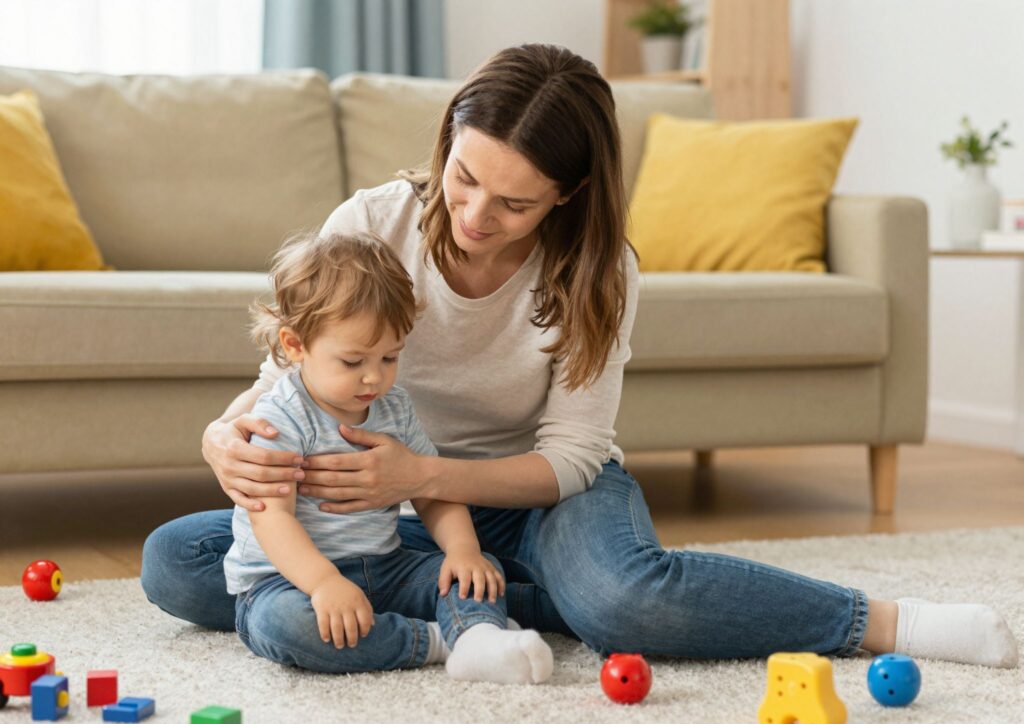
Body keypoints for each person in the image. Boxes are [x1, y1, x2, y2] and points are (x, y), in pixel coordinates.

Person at [142, 44, 1018, 670]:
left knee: (628, 600)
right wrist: (224, 439)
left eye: (516, 202)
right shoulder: (372, 225)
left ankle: (888, 622)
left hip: (531, 496)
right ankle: (505, 603)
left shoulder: (599, 271)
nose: (477, 214)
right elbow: (282, 384)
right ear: (447, 142)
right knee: (176, 563)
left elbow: (571, 455)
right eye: (463, 176)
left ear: (570, 197)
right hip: (383, 514)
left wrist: (422, 474)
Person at [221, 231, 553, 684]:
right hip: (287, 581)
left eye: (390, 357)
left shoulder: (394, 407)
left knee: (479, 569)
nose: (374, 377)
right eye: (353, 361)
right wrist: (323, 584)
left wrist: (462, 550)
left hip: (384, 565)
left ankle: (477, 636)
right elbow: (271, 519)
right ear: (296, 345)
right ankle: (438, 641)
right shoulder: (279, 418)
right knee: (288, 627)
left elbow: (430, 492)